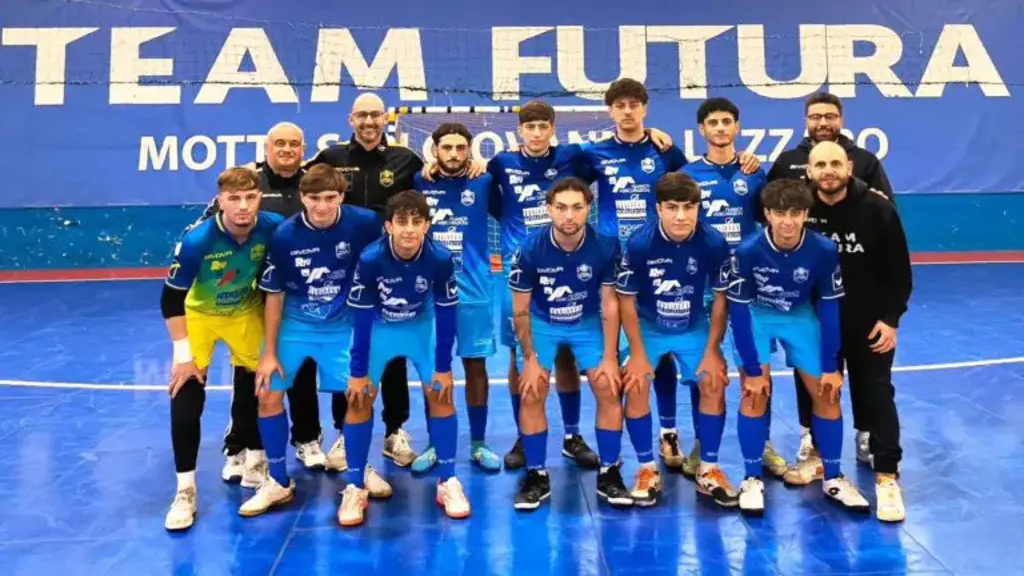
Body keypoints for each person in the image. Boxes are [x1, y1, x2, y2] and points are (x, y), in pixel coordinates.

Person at [578, 79, 762, 470]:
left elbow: (689, 185)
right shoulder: (594, 153)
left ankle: (705, 450)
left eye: (635, 104)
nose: (628, 111)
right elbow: (559, 176)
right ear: (610, 111)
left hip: (687, 265)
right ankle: (659, 437)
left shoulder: (667, 152)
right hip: (623, 265)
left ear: (645, 108)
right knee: (641, 365)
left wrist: (746, 160)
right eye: (620, 105)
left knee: (707, 363)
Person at [239, 164, 391, 518]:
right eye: (314, 198)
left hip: (343, 324)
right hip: (295, 323)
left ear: (341, 196)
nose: (322, 206)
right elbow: (274, 294)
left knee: (361, 394)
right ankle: (278, 481)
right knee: (268, 393)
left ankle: (356, 478)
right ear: (302, 197)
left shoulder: (366, 224)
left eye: (330, 198)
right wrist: (269, 353)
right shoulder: (285, 235)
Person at [192, 122, 333, 477]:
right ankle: (240, 444)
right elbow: (207, 226)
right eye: (279, 143)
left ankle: (307, 438)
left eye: (294, 144)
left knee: (302, 369)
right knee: (249, 375)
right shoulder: (249, 183)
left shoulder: (311, 186)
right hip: (251, 298)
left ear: (303, 149)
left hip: (301, 295)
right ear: (267, 148)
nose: (287, 149)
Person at [726, 178, 870, 516]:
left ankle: (833, 477)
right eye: (780, 213)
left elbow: (830, 307)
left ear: (806, 214)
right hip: (757, 315)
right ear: (767, 214)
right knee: (754, 393)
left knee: (827, 393)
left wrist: (832, 366)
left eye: (795, 213)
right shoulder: (746, 251)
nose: (787, 221)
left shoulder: (823, 250)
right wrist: (752, 370)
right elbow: (738, 312)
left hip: (799, 315)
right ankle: (751, 479)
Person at [768, 92, 895, 466]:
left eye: (829, 116)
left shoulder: (866, 162)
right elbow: (771, 212)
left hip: (859, 293)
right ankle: (811, 433)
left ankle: (867, 432)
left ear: (841, 119)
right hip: (809, 295)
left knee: (866, 374)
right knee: (811, 369)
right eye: (815, 116)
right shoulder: (786, 161)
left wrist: (888, 310)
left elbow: (884, 217)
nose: (822, 122)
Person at [160, 167, 284, 531]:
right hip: (199, 315)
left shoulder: (274, 227)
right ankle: (185, 491)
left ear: (260, 198)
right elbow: (170, 300)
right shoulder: (197, 240)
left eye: (250, 197)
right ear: (220, 201)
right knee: (186, 394)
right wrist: (183, 357)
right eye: (234, 199)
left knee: (263, 385)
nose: (243, 206)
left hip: (245, 312)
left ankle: (256, 458)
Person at [338, 190, 468, 526]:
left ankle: (448, 481)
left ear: (427, 225)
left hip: (419, 329)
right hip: (378, 330)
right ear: (388, 226)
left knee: (441, 393)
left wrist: (444, 367)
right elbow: (361, 319)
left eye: (416, 221)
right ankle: (355, 486)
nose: (409, 229)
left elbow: (447, 314)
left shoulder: (440, 258)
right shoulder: (371, 259)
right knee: (359, 399)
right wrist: (357, 371)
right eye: (401, 222)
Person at [306, 93, 423, 467]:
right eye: (362, 115)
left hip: (393, 269)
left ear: (385, 118)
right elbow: (300, 183)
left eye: (375, 115)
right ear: (350, 119)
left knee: (393, 352)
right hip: (343, 271)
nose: (369, 121)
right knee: (347, 352)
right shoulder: (331, 157)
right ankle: (344, 433)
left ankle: (394, 431)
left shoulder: (405, 159)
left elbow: (433, 182)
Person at [803, 140, 911, 522]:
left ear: (849, 167)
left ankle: (886, 476)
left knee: (877, 393)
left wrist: (891, 319)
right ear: (809, 170)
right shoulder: (801, 210)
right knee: (820, 392)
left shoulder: (879, 209)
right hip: (819, 325)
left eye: (835, 163)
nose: (828, 171)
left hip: (869, 324)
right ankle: (821, 458)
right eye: (820, 164)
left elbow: (900, 271)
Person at [616, 172, 738, 507]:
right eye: (672, 207)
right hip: (648, 326)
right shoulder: (640, 243)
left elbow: (721, 298)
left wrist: (713, 350)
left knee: (713, 379)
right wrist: (637, 353)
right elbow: (625, 300)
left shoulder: (714, 242)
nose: (681, 216)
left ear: (699, 207)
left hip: (692, 325)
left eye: (688, 207)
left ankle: (709, 469)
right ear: (659, 209)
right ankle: (646, 469)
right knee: (635, 382)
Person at [681, 98, 785, 480]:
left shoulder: (755, 173)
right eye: (713, 122)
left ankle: (764, 442)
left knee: (756, 366)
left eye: (727, 121)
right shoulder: (687, 174)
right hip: (703, 286)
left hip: (747, 286)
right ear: (702, 130)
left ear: (737, 127)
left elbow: (771, 226)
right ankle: (701, 443)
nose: (721, 128)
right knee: (704, 368)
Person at [507, 177, 626, 510]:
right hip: (542, 323)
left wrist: (610, 356)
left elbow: (610, 304)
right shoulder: (529, 249)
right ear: (549, 209)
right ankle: (536, 474)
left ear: (589, 209)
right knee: (532, 389)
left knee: (608, 385)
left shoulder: (606, 246)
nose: (569, 216)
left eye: (577, 207)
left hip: (586, 322)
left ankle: (609, 471)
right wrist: (530, 358)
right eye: (561, 208)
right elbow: (520, 310)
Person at [410, 122, 502, 472]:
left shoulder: (484, 181)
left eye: (460, 148)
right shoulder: (419, 181)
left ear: (469, 150)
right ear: (434, 150)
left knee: (475, 365)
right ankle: (436, 443)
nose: (453, 154)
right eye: (446, 147)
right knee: (435, 367)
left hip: (475, 289)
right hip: (430, 292)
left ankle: (478, 444)